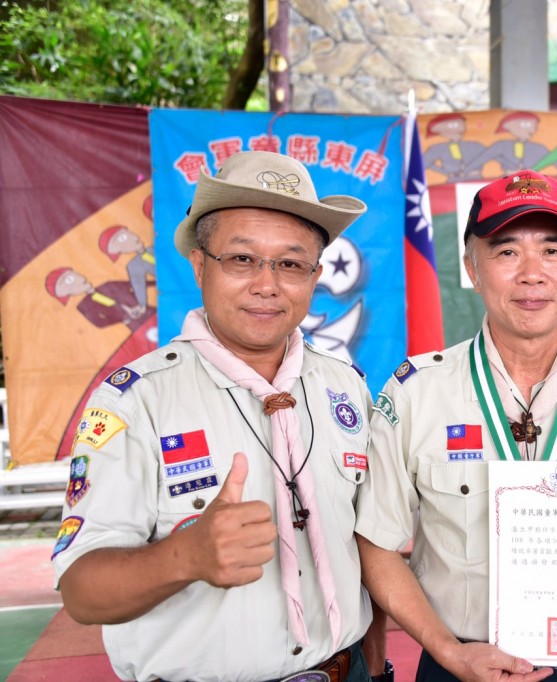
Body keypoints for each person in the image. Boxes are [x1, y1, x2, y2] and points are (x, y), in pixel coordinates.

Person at [52, 151, 391, 682]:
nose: (266, 284)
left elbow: (364, 550)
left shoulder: (344, 386)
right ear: (199, 264)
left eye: (291, 263)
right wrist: (184, 557)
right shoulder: (137, 401)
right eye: (241, 259)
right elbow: (81, 592)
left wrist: (375, 660)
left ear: (315, 275)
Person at [355, 169, 557, 682]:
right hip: (457, 662)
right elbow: (376, 544)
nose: (532, 273)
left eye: (552, 250)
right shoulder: (417, 392)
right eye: (506, 252)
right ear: (472, 268)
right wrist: (448, 651)